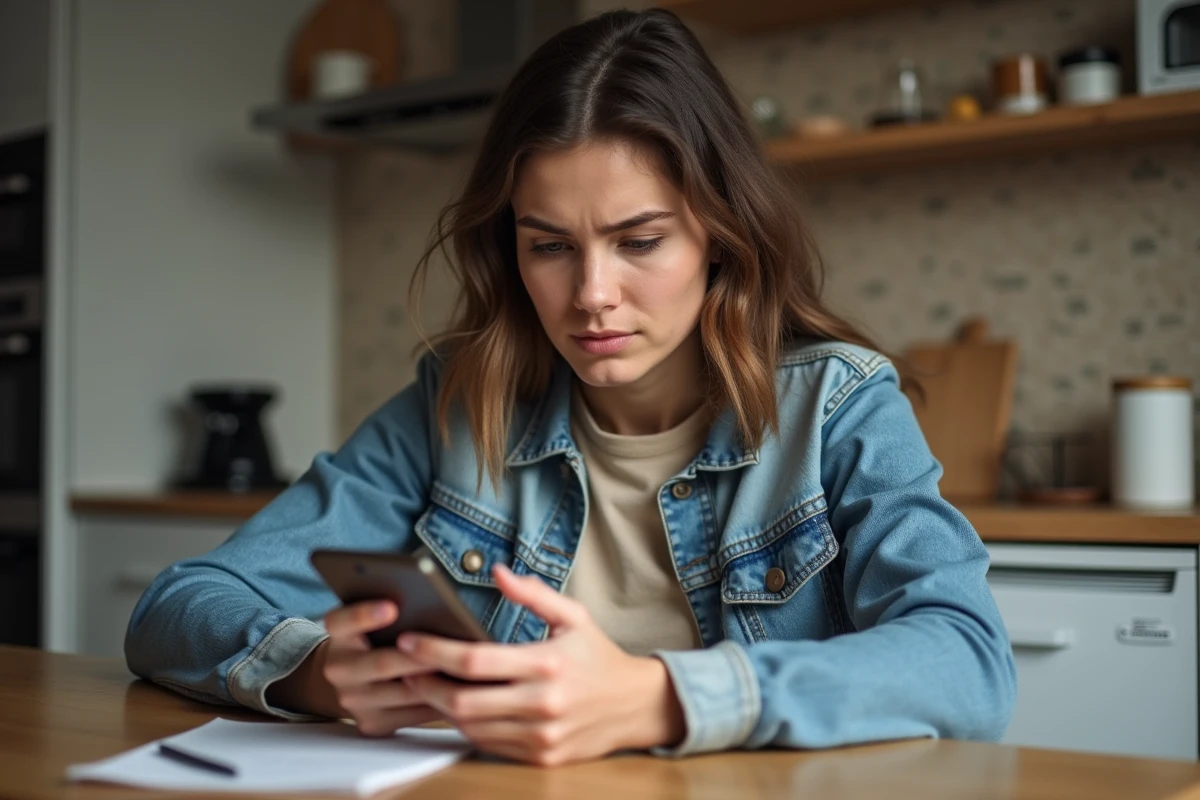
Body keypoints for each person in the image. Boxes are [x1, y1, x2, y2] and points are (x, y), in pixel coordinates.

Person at [126, 8, 1016, 766]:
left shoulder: (839, 407)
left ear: (719, 235)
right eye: (548, 245)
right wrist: (318, 672)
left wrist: (661, 698)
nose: (590, 295)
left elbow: (969, 662)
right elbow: (174, 608)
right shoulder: (456, 405)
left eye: (639, 241)